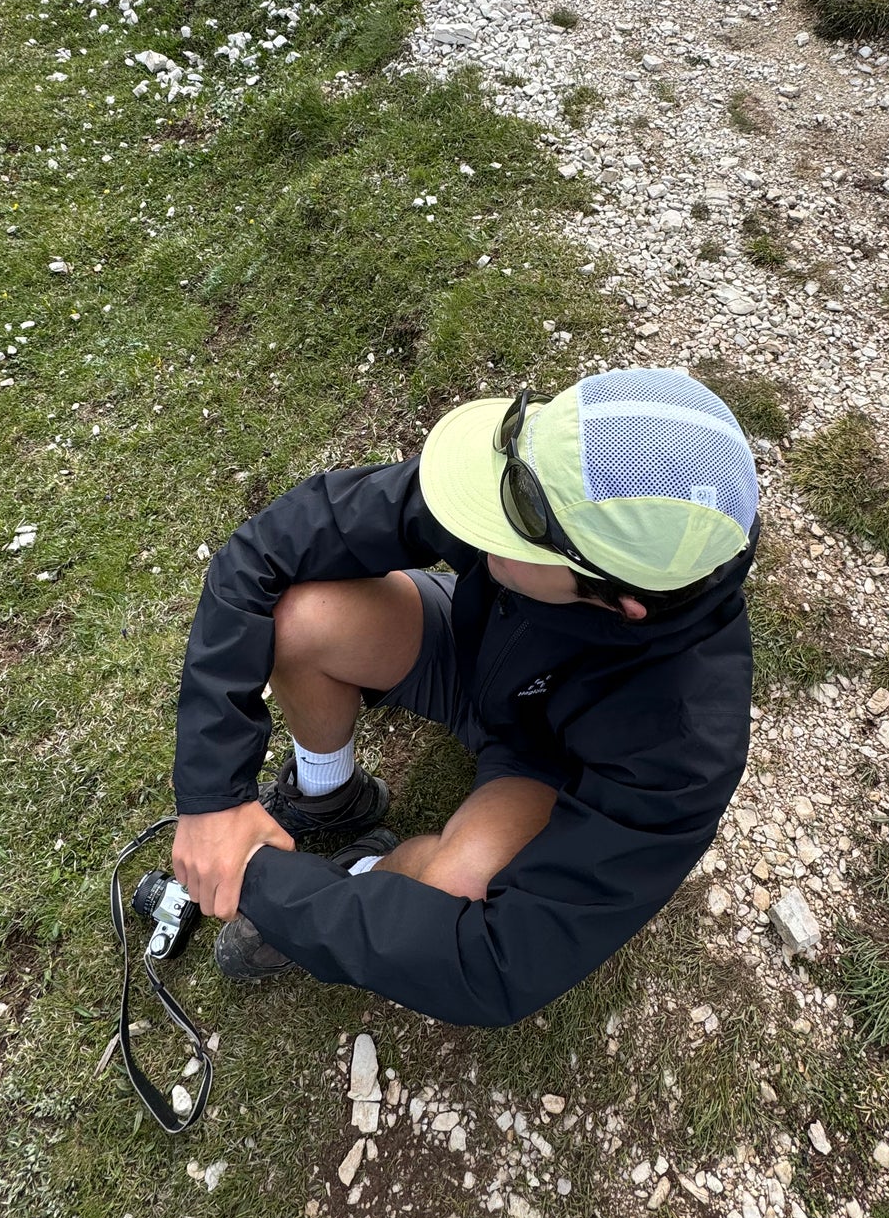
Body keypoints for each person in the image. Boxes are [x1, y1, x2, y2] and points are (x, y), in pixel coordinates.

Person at [170, 366, 759, 1027]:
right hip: (473, 652)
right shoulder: (529, 484)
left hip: (547, 766)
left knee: (460, 886)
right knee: (302, 616)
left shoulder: (684, 743)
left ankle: (359, 872)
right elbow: (268, 552)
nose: (476, 517)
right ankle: (328, 790)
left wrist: (260, 881)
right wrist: (212, 799)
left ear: (618, 601)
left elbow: (495, 963)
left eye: (507, 536)